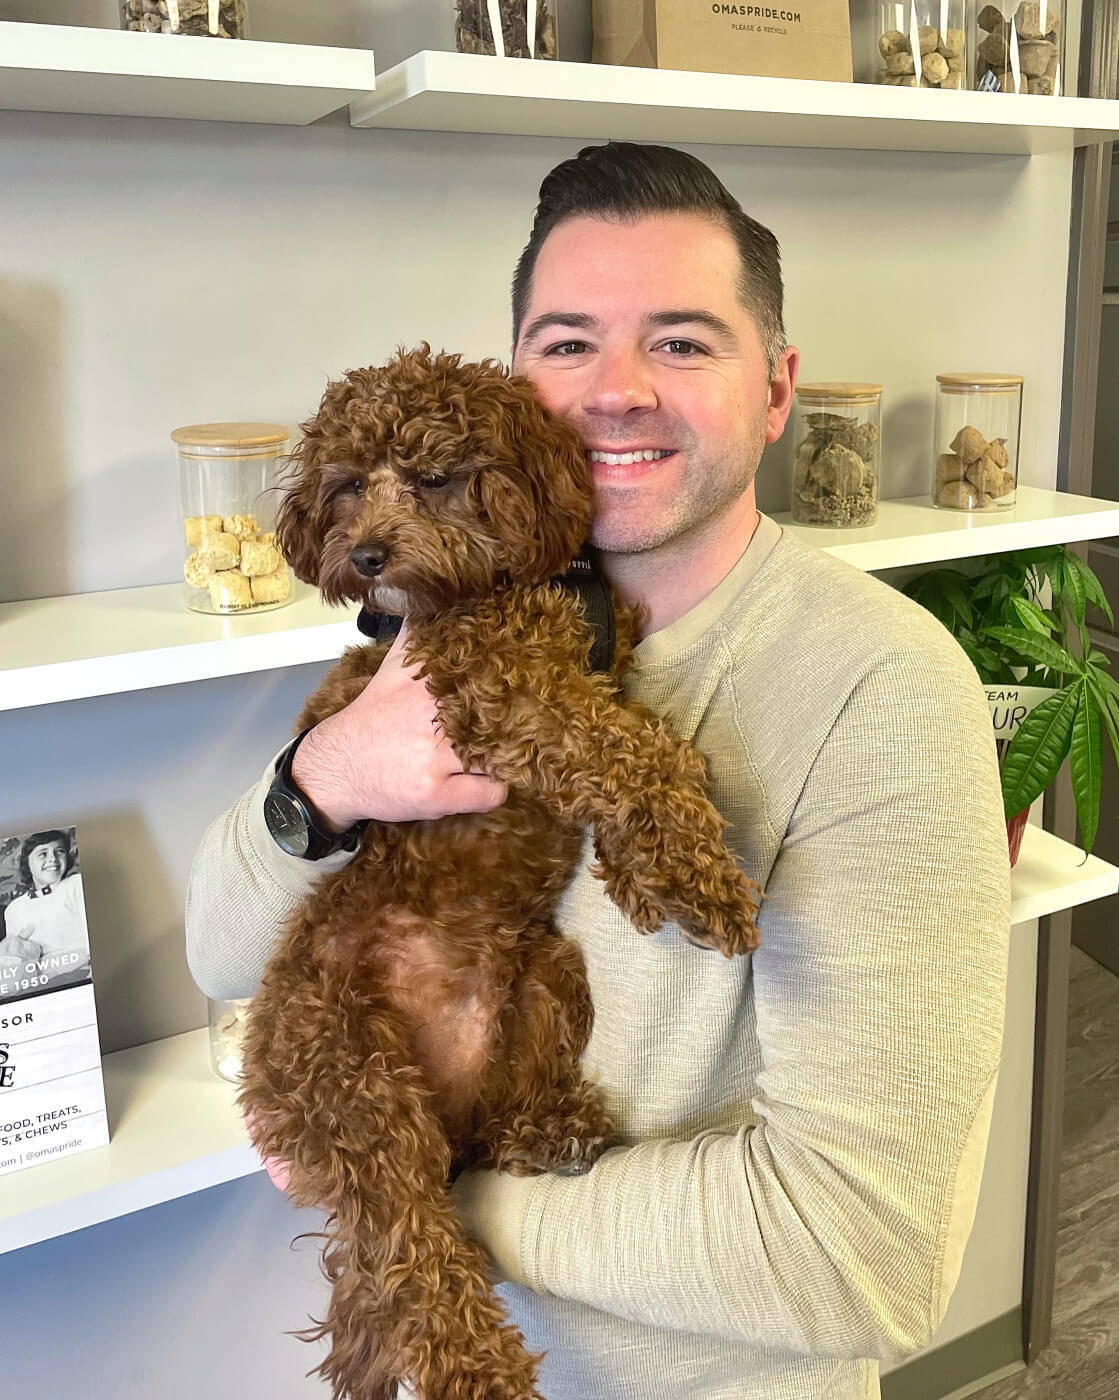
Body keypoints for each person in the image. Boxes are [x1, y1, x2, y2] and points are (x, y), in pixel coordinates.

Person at [186, 141, 1011, 1400]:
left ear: (778, 389)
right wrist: (328, 774)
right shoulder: (436, 616)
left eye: (682, 342)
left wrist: (423, 1203)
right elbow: (219, 949)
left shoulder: (882, 690)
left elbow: (861, 1255)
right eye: (568, 343)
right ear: (511, 386)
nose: (614, 391)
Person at [0, 829, 91, 1000]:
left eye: (60, 852)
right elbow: (15, 962)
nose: (53, 859)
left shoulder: (76, 885)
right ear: (28, 863)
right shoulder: (13, 909)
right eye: (43, 853)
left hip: (80, 975)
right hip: (39, 986)